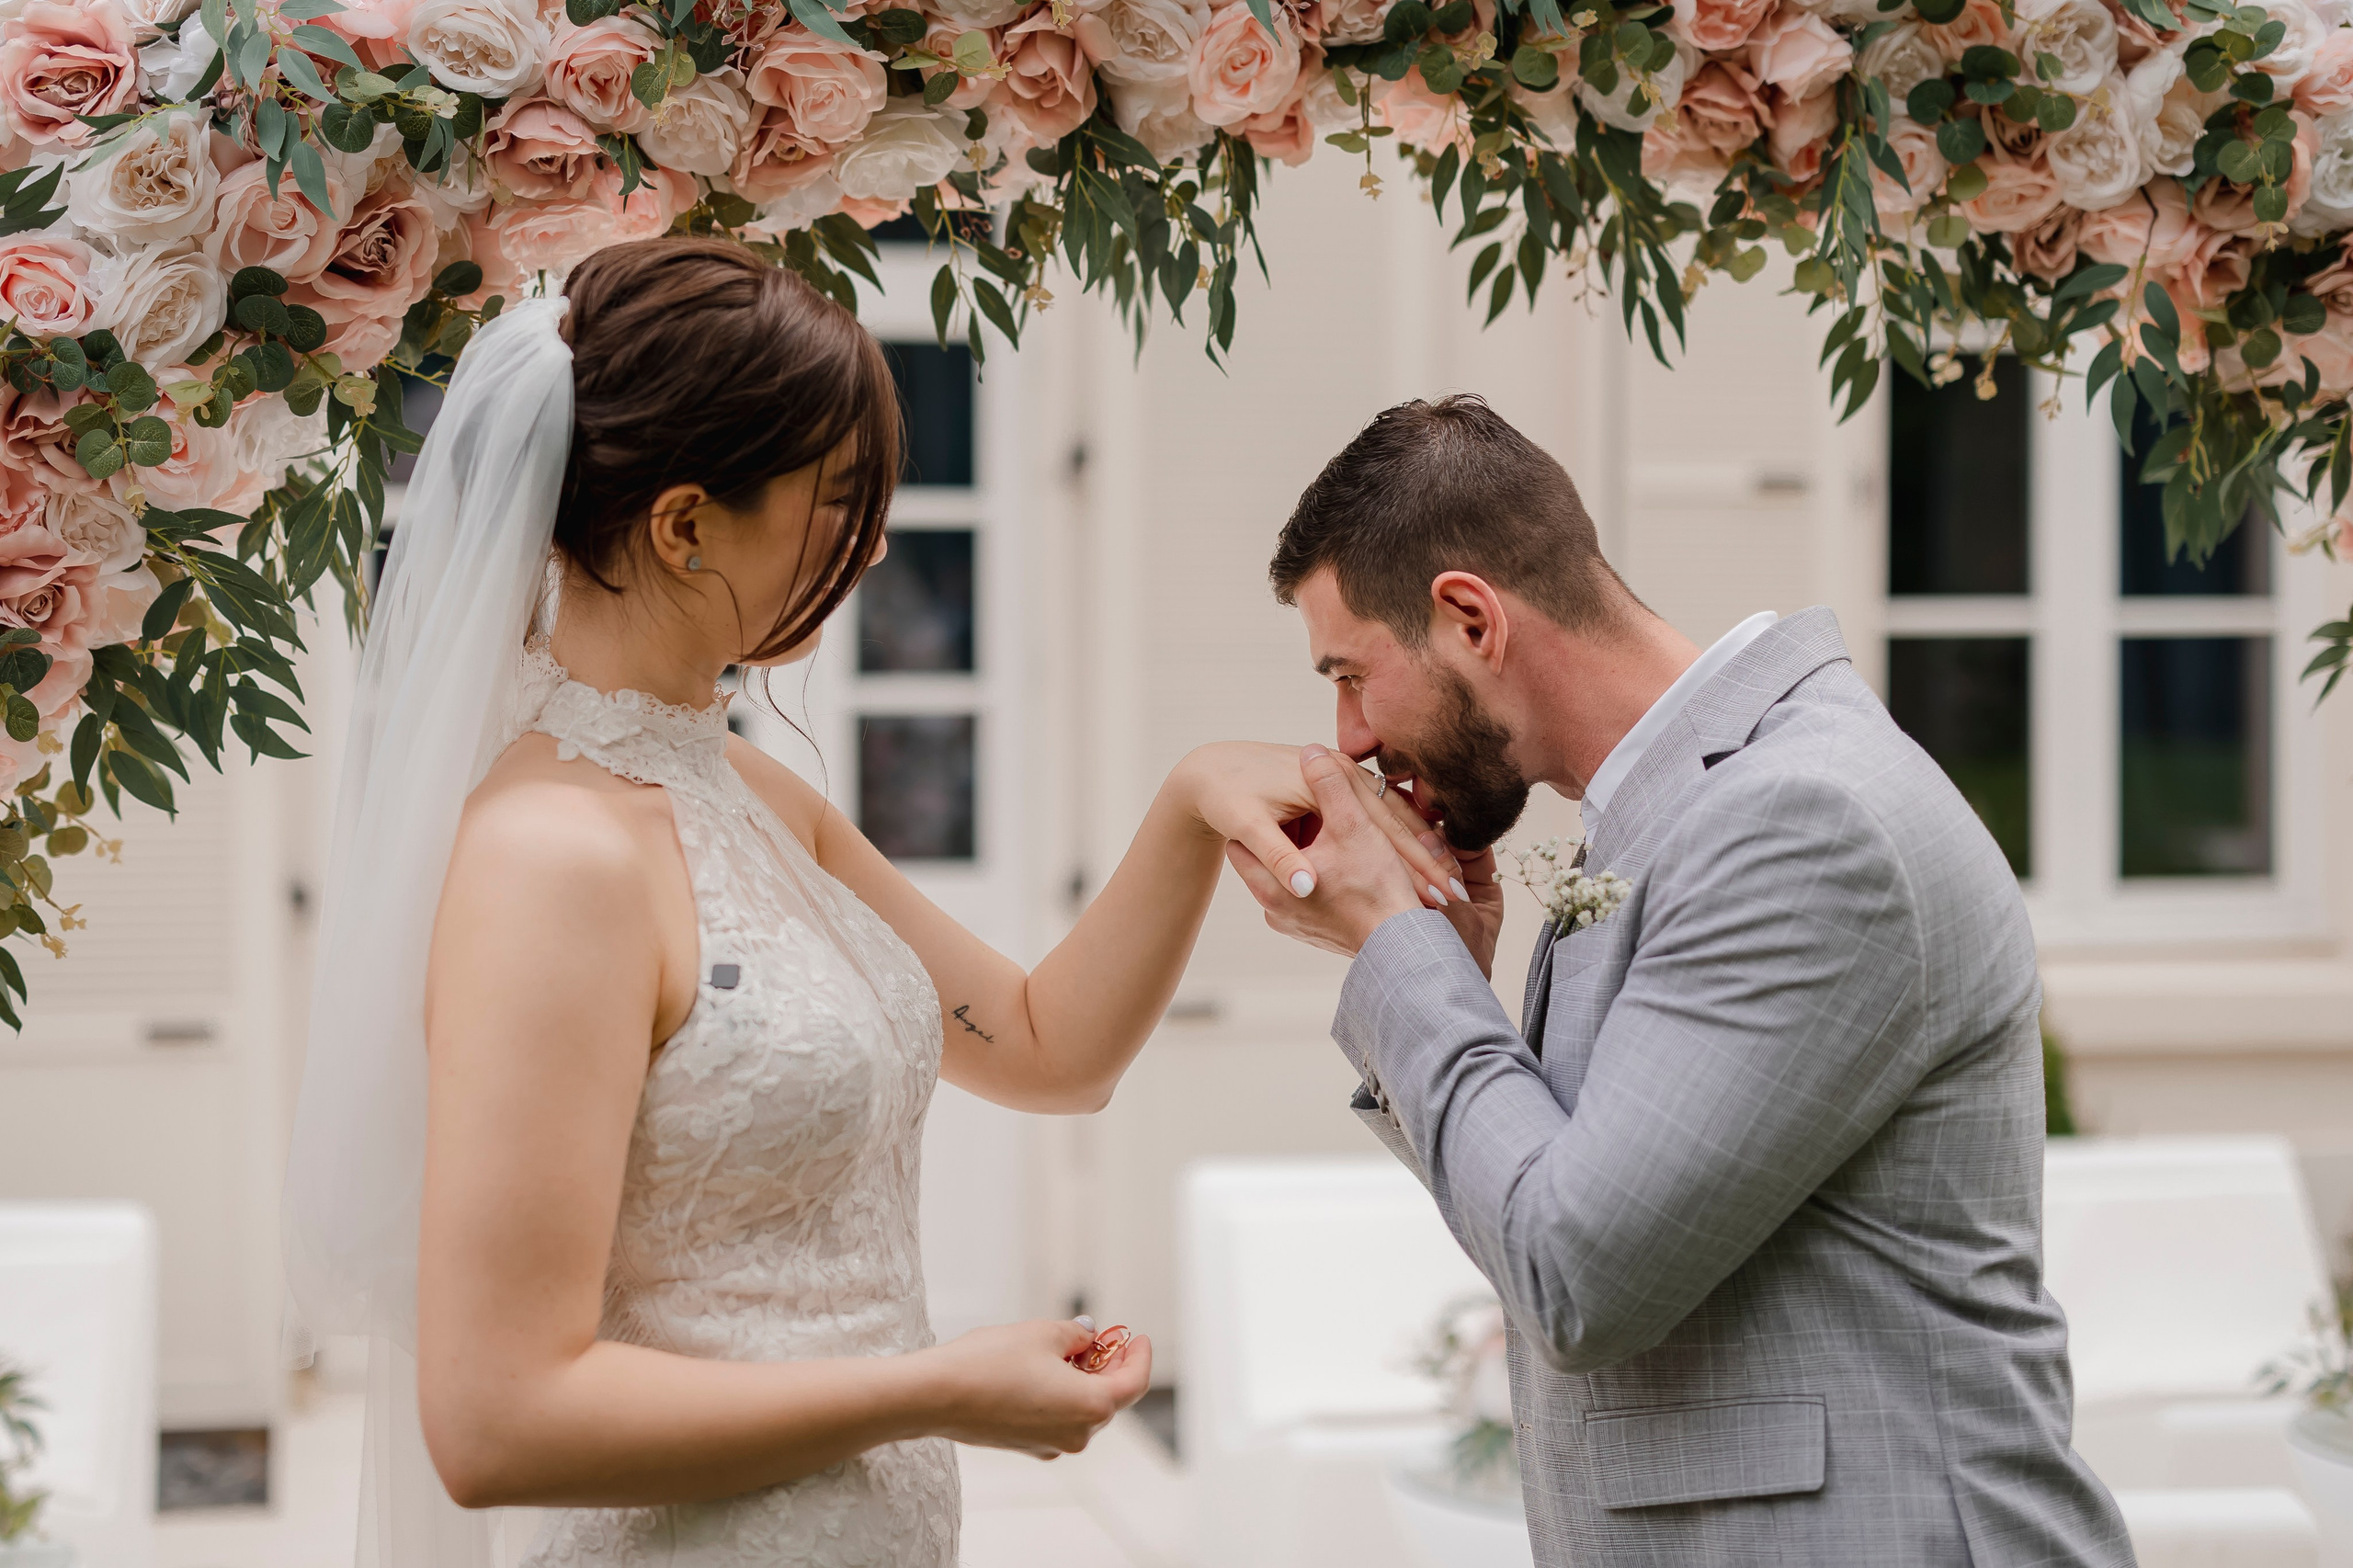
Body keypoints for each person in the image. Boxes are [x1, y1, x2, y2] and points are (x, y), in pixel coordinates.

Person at [281, 237, 1455, 1568]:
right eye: (840, 499)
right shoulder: (553, 857)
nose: (880, 539)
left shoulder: (745, 791)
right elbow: (496, 1418)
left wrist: (1188, 804)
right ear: (682, 525)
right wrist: (937, 1388)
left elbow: (1041, 1043)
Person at [1224, 395, 2137, 1566]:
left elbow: (1578, 1275)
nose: (1345, 735)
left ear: (1468, 618)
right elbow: (1557, 1209)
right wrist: (1444, 971)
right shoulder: (1678, 815)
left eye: (1351, 674)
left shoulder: (1800, 820)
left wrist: (1394, 949)